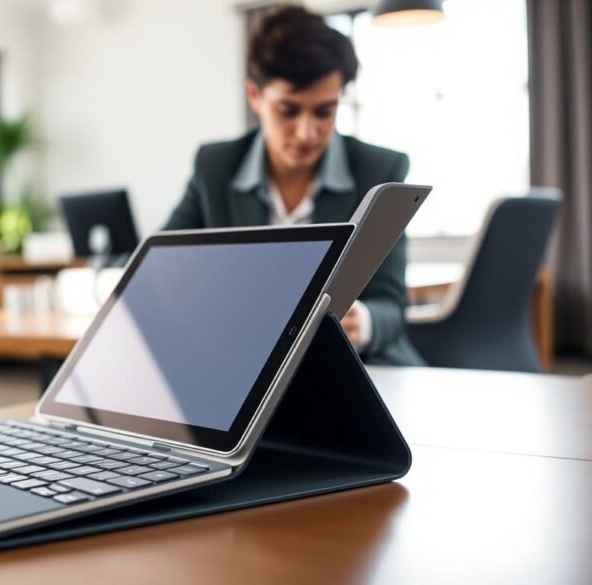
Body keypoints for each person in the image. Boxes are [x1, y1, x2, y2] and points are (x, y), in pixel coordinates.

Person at [163, 4, 423, 366]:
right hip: (244, 365)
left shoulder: (380, 169)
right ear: (255, 96)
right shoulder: (215, 167)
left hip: (352, 366)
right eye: (288, 110)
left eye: (324, 111)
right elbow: (161, 269)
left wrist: (359, 321)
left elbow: (391, 306)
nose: (307, 132)